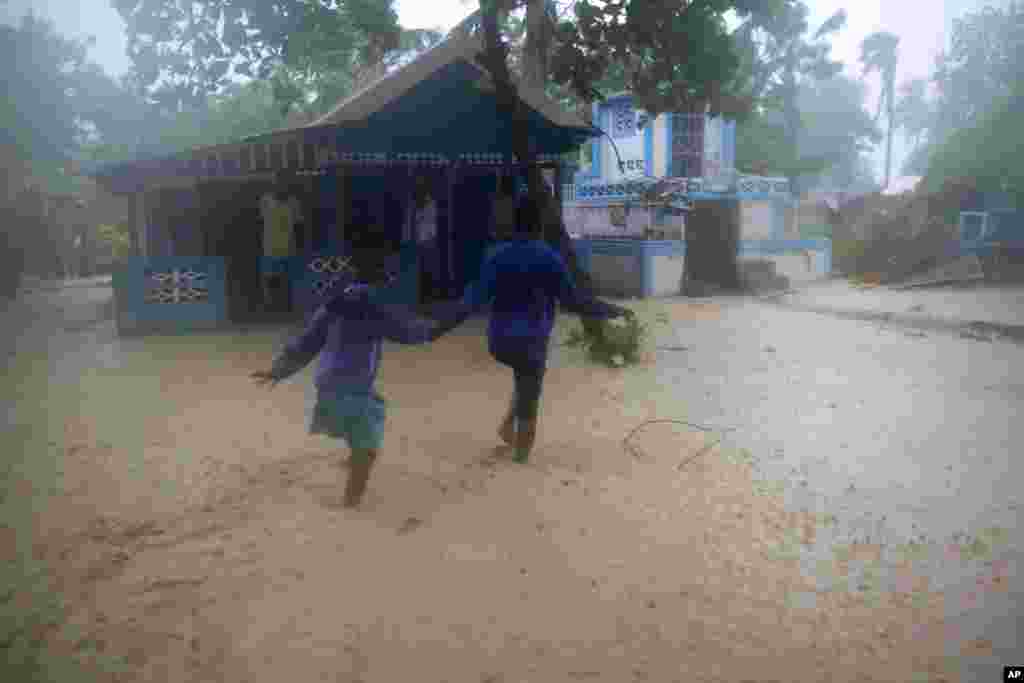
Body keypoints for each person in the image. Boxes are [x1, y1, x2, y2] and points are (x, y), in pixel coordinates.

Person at [250, 231, 470, 508]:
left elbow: (307, 342)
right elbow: (414, 333)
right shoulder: (372, 305)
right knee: (367, 449)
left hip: (328, 383)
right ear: (381, 274)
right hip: (351, 387)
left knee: (363, 429)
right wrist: (452, 320)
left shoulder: (336, 303)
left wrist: (279, 370)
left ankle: (353, 469)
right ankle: (350, 504)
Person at [459, 195, 632, 464]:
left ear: (514, 224)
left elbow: (471, 300)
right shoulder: (549, 258)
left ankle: (507, 428)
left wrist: (435, 323)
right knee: (530, 391)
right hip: (531, 343)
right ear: (540, 225)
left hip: (499, 342)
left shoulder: (497, 255)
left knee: (522, 377)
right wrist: (611, 310)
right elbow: (574, 302)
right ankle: (520, 462)